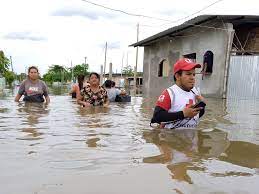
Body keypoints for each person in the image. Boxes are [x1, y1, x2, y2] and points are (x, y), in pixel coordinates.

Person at [151, 58, 205, 129]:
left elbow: (196, 116)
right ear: (177, 76)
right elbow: (156, 117)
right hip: (172, 138)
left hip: (191, 138)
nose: (192, 78)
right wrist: (183, 114)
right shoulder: (169, 93)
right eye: (188, 74)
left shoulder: (195, 92)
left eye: (194, 74)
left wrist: (202, 106)